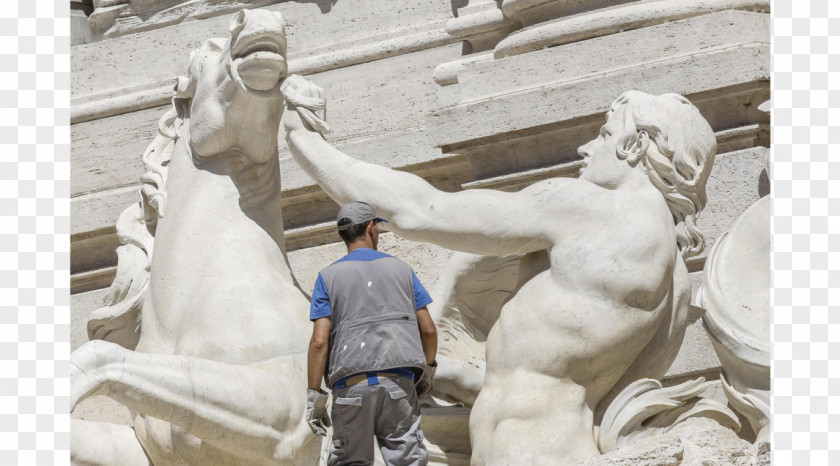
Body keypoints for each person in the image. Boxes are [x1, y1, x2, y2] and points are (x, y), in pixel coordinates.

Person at [283, 75, 717, 465]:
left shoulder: (591, 208)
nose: (586, 148)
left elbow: (417, 211)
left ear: (635, 146)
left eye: (604, 135)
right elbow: (556, 381)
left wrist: (303, 139)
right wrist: (452, 376)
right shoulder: (676, 278)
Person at [305, 201, 439, 466]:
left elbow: (320, 343)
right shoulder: (402, 270)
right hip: (398, 384)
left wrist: (315, 398)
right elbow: (429, 330)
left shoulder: (326, 277)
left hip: (350, 386)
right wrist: (427, 373)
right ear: (371, 227)